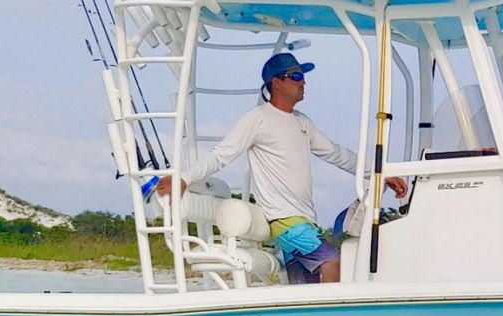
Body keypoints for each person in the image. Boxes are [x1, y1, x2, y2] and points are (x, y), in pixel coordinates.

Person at [157, 52, 406, 283]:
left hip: (306, 221)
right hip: (286, 222)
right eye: (296, 76)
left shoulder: (302, 122)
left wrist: (380, 173)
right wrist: (184, 179)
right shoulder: (257, 119)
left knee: (304, 287)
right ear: (276, 83)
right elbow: (221, 154)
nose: (303, 82)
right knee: (333, 260)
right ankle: (335, 314)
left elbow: (337, 154)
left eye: (303, 76)